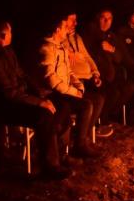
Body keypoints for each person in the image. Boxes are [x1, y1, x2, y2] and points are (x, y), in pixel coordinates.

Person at [0, 21, 71, 179]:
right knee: (44, 115)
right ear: (3, 35)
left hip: (17, 99)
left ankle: (58, 153)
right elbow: (9, 93)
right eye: (10, 32)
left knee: (61, 104)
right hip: (2, 107)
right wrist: (38, 102)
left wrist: (41, 93)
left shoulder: (8, 51)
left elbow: (22, 75)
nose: (13, 35)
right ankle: (50, 166)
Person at [37, 14, 101, 158]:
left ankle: (81, 141)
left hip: (65, 90)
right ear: (57, 29)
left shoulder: (60, 47)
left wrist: (78, 86)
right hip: (54, 93)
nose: (68, 30)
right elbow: (52, 81)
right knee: (86, 105)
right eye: (65, 27)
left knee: (95, 99)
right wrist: (73, 91)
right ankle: (79, 145)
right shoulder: (47, 49)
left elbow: (69, 72)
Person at [64, 12, 113, 138]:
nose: (76, 23)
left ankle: (87, 132)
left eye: (76, 20)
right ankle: (82, 136)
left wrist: (96, 74)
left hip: (88, 77)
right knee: (93, 101)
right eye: (72, 20)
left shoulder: (77, 38)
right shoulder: (60, 40)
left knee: (102, 96)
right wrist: (67, 53)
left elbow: (87, 57)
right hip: (75, 81)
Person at [84, 8, 134, 122]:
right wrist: (98, 48)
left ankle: (110, 114)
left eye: (109, 19)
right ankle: (102, 118)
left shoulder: (111, 36)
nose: (106, 21)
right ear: (98, 18)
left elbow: (119, 58)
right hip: (97, 76)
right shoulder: (90, 33)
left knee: (130, 87)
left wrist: (111, 49)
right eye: (103, 18)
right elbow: (86, 56)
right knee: (114, 93)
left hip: (112, 75)